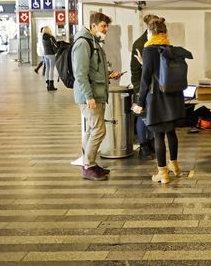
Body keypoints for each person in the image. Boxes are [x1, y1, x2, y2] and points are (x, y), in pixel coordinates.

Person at [132, 18, 193, 184]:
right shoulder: (170, 49)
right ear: (164, 33)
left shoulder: (149, 50)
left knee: (158, 135)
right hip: (174, 98)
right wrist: (145, 64)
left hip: (157, 100)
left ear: (150, 33)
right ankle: (174, 165)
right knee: (171, 132)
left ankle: (162, 173)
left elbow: (145, 81)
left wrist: (140, 103)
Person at [72, 12, 123, 181]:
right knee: (99, 130)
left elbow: (95, 69)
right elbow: (80, 73)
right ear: (93, 26)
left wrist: (109, 74)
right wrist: (88, 96)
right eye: (103, 26)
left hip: (97, 93)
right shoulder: (83, 43)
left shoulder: (93, 42)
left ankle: (90, 163)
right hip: (91, 95)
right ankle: (88, 165)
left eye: (106, 26)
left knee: (91, 130)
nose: (106, 29)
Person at [130, 14, 159, 160]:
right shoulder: (139, 43)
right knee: (142, 116)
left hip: (155, 87)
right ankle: (143, 145)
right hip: (142, 86)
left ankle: (152, 142)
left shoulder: (157, 41)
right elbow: (134, 69)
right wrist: (137, 88)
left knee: (152, 116)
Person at [41, 26, 58, 91]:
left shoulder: (42, 38)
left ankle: (47, 84)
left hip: (45, 55)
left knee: (47, 69)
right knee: (51, 69)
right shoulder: (51, 37)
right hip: (51, 55)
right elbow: (55, 45)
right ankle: (51, 85)